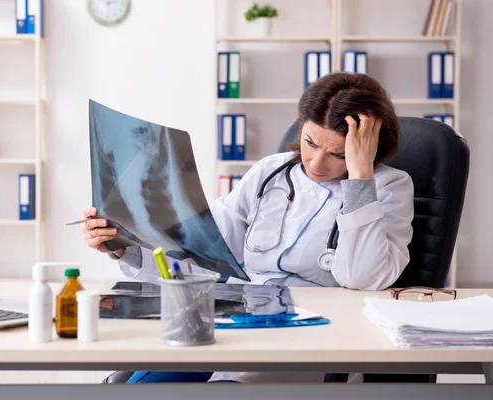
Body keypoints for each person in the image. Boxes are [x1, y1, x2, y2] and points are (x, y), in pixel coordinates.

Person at [81, 72, 414, 384]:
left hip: (309, 335)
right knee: (133, 382)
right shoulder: (272, 171)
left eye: (338, 154)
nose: (315, 163)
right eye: (310, 143)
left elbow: (362, 278)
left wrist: (360, 178)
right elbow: (205, 246)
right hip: (237, 317)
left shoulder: (388, 188)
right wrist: (125, 244)